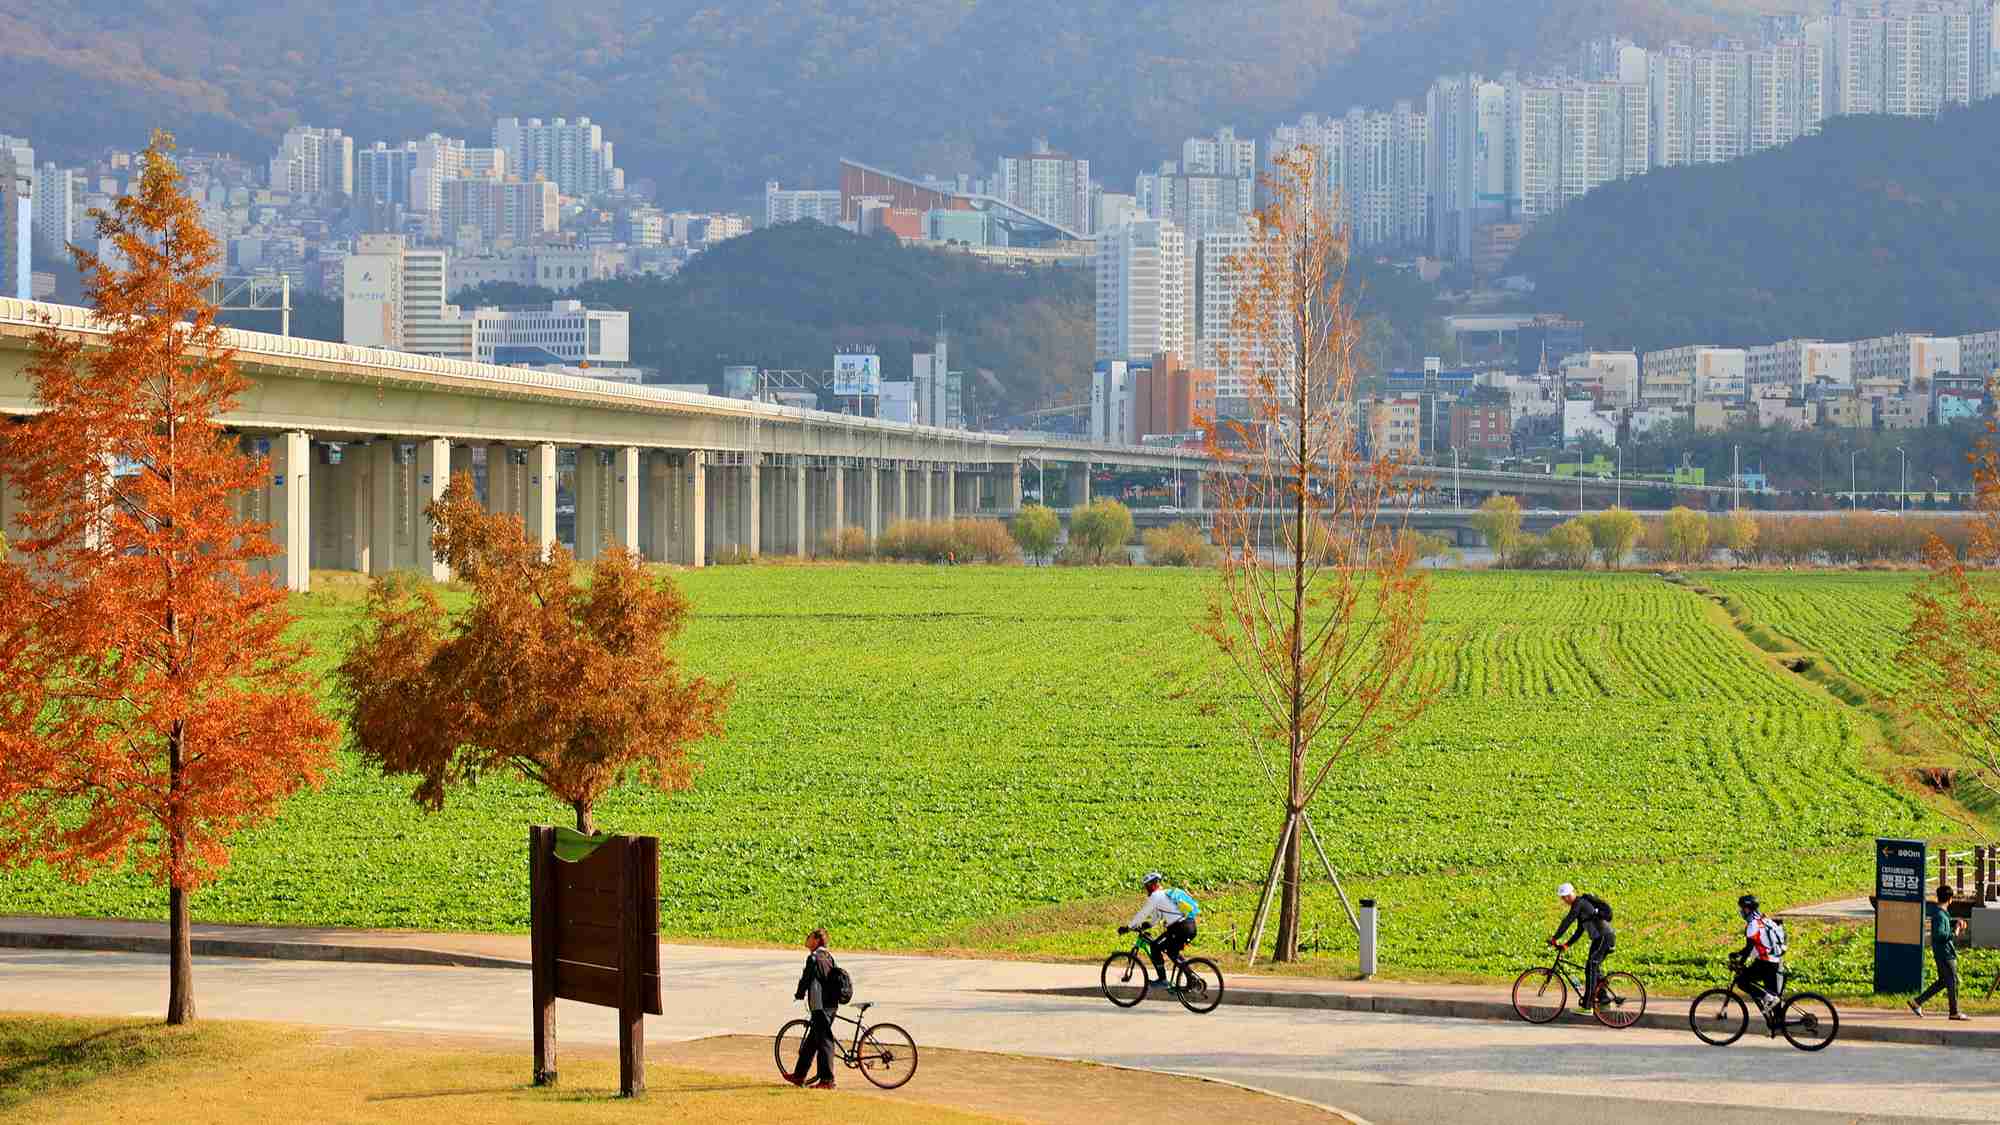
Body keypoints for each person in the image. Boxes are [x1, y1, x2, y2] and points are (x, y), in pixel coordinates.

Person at [1119, 872, 1198, 988]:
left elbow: (1143, 913)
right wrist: (1148, 925)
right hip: (1188, 926)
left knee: (1155, 947)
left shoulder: (1156, 896)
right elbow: (1157, 917)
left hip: (1180, 928)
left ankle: (1162, 980)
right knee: (1172, 951)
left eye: (1147, 886)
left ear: (1152, 885)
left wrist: (1128, 927)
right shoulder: (1164, 895)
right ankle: (1192, 979)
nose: (1146, 889)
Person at [788, 927, 840, 1089]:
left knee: (824, 1041)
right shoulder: (829, 957)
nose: (806, 938)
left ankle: (827, 1080)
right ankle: (799, 1075)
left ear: (816, 940)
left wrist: (799, 994)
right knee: (812, 1042)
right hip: (831, 1004)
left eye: (809, 936)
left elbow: (806, 979)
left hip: (820, 1006)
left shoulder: (814, 958)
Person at [1910, 885, 1972, 1021]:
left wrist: (1956, 923)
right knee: (1953, 981)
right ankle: (1954, 1012)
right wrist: (1954, 932)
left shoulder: (1941, 913)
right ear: (1950, 899)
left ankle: (1917, 1002)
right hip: (1945, 954)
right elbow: (1940, 934)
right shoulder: (1939, 915)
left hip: (1942, 953)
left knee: (1944, 981)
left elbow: (1944, 926)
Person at [1548, 883, 1614, 1010]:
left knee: (1591, 967)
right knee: (1591, 969)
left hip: (1604, 937)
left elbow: (1567, 920)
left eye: (1566, 896)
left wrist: (1554, 938)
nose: (1565, 899)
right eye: (1563, 897)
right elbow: (1579, 930)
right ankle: (1603, 999)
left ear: (1572, 893)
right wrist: (1566, 945)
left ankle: (1587, 1006)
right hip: (1598, 939)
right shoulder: (1580, 908)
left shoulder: (1579, 903)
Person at [1732, 894, 1785, 1022]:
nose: (1741, 911)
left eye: (1743, 908)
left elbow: (1750, 947)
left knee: (1742, 981)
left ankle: (1767, 997)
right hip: (1776, 961)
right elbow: (1758, 944)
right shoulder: (1765, 920)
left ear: (1748, 909)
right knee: (1775, 999)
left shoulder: (1752, 925)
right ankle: (1779, 1026)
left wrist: (1740, 963)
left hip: (1765, 963)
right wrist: (1738, 954)